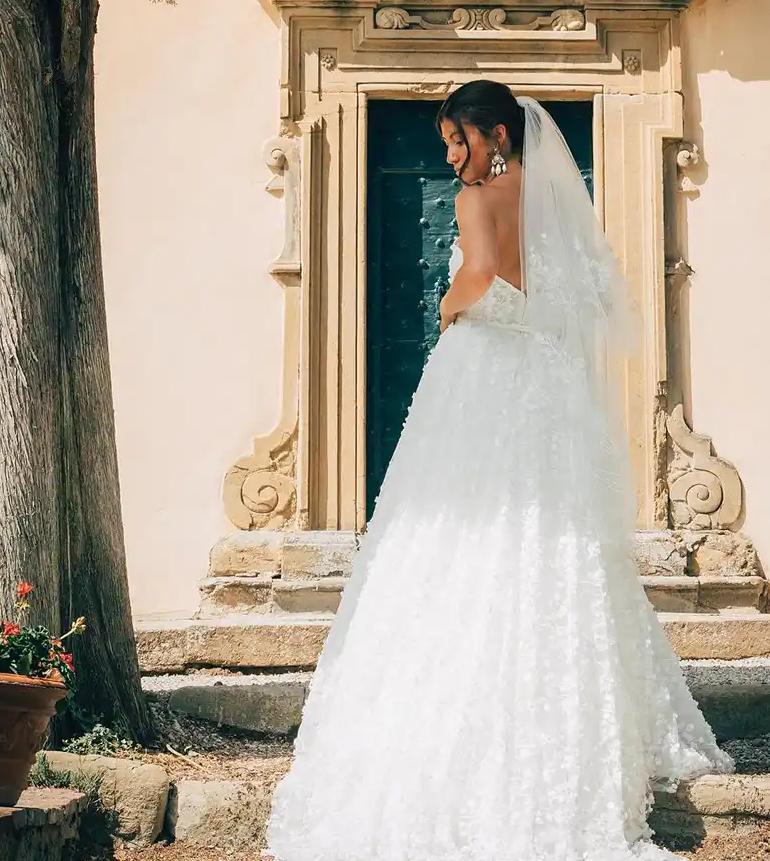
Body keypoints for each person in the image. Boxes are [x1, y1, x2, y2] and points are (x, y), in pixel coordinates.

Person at [267, 80, 731, 861]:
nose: (452, 156)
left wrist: (450, 307)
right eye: (449, 143)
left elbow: (486, 274)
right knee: (550, 540)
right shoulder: (545, 196)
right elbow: (554, 289)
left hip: (483, 376)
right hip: (542, 384)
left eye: (460, 140)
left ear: (497, 136)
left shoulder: (476, 199)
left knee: (456, 525)